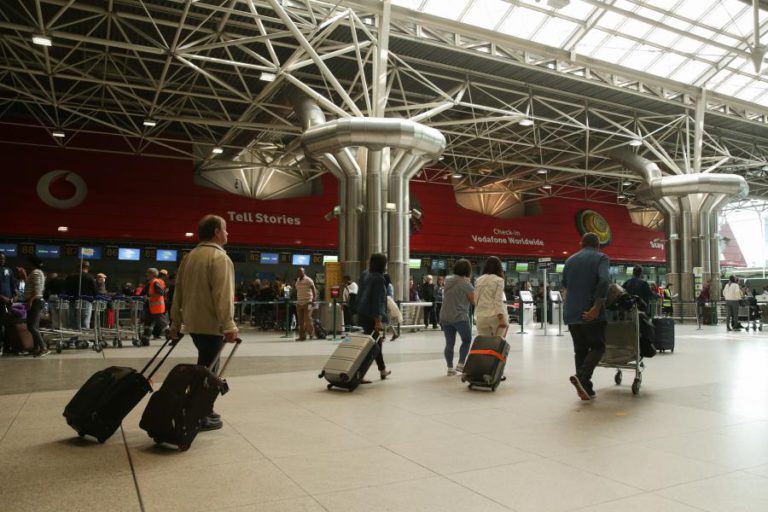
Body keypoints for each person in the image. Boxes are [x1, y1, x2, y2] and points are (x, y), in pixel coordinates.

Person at [170, 214, 238, 431]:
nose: (227, 233)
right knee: (209, 370)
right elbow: (223, 295)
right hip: (211, 324)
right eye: (225, 229)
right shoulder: (219, 258)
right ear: (216, 232)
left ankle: (200, 408)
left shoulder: (190, 257)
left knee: (204, 366)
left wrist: (175, 323)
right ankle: (199, 413)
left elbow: (178, 292)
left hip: (194, 323)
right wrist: (229, 325)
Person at [562, 232, 609, 401]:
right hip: (590, 313)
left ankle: (586, 388)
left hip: (571, 313)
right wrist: (596, 307)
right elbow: (604, 281)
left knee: (580, 350)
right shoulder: (601, 258)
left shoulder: (569, 260)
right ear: (598, 246)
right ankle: (582, 376)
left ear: (581, 244)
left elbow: (565, 286)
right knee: (598, 347)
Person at [356, 252, 391, 381]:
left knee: (376, 344)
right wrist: (378, 320)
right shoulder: (379, 278)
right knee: (372, 346)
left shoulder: (365, 274)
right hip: (372, 316)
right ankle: (359, 374)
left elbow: (359, 294)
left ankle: (382, 370)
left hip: (362, 313)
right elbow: (378, 301)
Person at [440, 259, 475, 376]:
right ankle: (461, 364)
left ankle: (450, 368)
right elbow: (474, 300)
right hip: (459, 317)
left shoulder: (448, 280)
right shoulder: (465, 283)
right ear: (467, 270)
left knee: (449, 343)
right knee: (467, 339)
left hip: (445, 316)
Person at [474, 256, 508, 336]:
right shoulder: (499, 280)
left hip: (480, 316)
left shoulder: (479, 280)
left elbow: (475, 300)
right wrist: (501, 318)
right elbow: (498, 300)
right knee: (498, 342)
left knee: (484, 342)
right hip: (495, 316)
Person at [25, 256, 48, 357]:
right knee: (35, 326)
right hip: (36, 301)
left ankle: (44, 348)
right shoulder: (38, 272)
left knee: (31, 326)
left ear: (32, 263)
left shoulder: (36, 272)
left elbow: (37, 289)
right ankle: (36, 348)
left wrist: (30, 301)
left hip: (35, 301)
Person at [64, 261, 98, 328]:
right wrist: (94, 298)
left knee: (73, 320)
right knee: (85, 320)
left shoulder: (70, 277)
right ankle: (84, 334)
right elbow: (95, 290)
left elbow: (66, 288)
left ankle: (73, 333)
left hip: (72, 300)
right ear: (87, 268)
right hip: (86, 301)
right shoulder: (90, 277)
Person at [141, 268, 168, 344]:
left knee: (162, 323)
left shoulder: (155, 282)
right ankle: (145, 340)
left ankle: (172, 336)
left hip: (156, 308)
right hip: (150, 306)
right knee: (148, 324)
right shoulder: (149, 282)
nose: (146, 275)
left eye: (148, 273)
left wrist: (149, 296)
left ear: (153, 274)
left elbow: (160, 293)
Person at [0, 252, 19, 352]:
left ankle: (7, 347)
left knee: (9, 325)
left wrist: (15, 294)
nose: (2, 260)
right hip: (1, 302)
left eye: (3, 258)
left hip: (9, 302)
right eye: (0, 258)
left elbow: (13, 284)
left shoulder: (9, 270)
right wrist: (2, 297)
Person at [294, 267, 317, 341]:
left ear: (304, 272)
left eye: (301, 271)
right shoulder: (297, 280)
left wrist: (314, 299)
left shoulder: (308, 280)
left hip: (308, 302)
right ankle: (302, 336)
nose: (299, 273)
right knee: (300, 321)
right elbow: (297, 291)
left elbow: (314, 290)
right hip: (299, 302)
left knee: (307, 319)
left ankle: (312, 334)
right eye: (298, 272)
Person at [383, 273, 402, 341]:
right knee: (386, 321)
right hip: (386, 304)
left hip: (388, 305)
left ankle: (387, 335)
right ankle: (391, 334)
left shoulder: (389, 286)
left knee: (386, 320)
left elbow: (390, 296)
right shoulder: (387, 285)